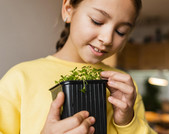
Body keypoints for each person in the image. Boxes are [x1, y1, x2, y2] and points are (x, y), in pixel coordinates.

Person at [0, 0, 157, 133]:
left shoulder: (124, 89)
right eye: (97, 21)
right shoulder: (20, 78)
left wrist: (127, 123)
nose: (107, 38)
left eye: (121, 31)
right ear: (68, 10)